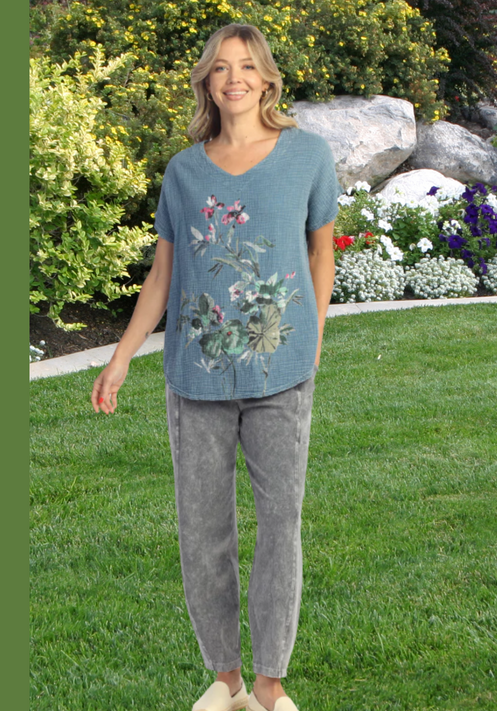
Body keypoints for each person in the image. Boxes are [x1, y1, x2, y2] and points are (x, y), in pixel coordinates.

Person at [91, 22, 343, 711]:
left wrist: (313, 337)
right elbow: (162, 276)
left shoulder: (307, 155)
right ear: (207, 81)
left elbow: (320, 252)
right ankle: (224, 678)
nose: (235, 78)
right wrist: (120, 359)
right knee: (203, 533)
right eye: (222, 67)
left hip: (280, 375)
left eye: (248, 66)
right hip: (194, 379)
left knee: (280, 525)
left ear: (266, 79)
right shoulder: (184, 171)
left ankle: (269, 683)